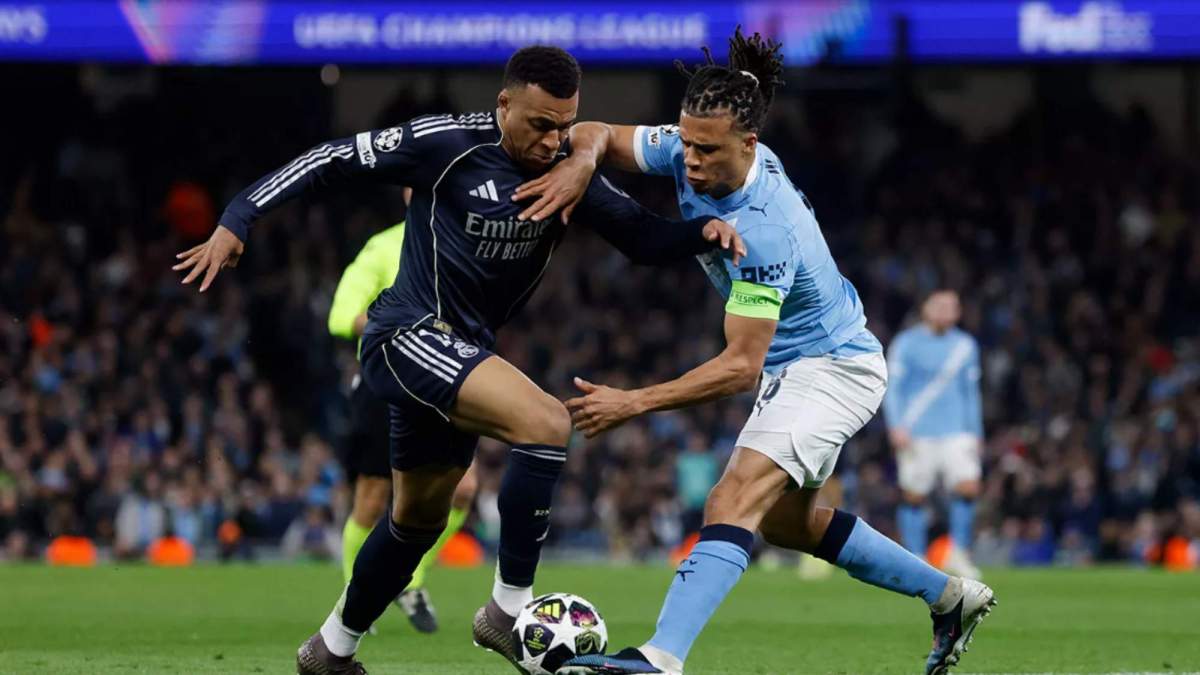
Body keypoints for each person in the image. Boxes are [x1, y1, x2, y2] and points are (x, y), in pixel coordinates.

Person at [173, 45, 744, 675]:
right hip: (406, 332)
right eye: (540, 123)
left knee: (416, 522)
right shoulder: (445, 145)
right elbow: (329, 159)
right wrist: (238, 218)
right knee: (549, 423)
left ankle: (330, 650)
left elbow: (640, 236)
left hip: (461, 350)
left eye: (565, 125)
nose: (553, 139)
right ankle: (508, 611)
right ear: (503, 104)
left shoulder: (566, 170)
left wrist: (702, 233)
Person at [517, 28, 995, 675]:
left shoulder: (763, 227)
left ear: (749, 145)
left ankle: (660, 658)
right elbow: (601, 132)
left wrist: (635, 400)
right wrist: (582, 158)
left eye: (705, 150)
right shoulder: (692, 147)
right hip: (803, 362)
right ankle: (950, 596)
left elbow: (740, 366)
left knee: (731, 498)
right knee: (791, 525)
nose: (688, 161)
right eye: (684, 142)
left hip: (832, 366)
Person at [327, 209, 479, 632]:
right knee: (373, 499)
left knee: (464, 489)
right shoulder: (382, 247)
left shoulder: (466, 240)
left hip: (447, 381)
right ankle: (354, 598)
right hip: (387, 382)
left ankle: (409, 580)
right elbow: (340, 317)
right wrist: (404, 326)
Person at [883, 289, 984, 579]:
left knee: (967, 487)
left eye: (952, 306)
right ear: (925, 308)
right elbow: (895, 388)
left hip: (957, 430)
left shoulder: (965, 346)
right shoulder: (906, 343)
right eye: (939, 305)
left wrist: (975, 431)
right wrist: (896, 425)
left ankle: (958, 554)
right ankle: (915, 556)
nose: (945, 311)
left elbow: (970, 392)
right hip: (917, 431)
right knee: (914, 495)